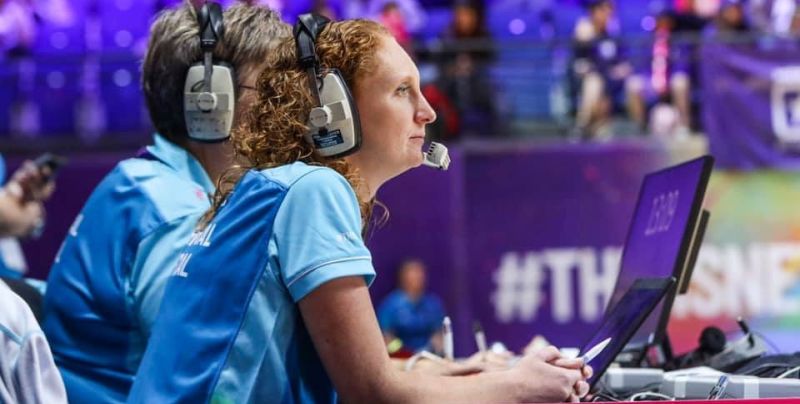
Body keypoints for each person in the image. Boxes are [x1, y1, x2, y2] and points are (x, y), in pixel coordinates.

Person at [129, 16, 591, 403]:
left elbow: (361, 375)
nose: (427, 112)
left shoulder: (277, 185)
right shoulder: (314, 189)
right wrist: (518, 386)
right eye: (401, 91)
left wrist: (479, 375)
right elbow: (372, 392)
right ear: (334, 111)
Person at [40, 3, 289, 403]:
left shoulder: (143, 182)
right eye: (272, 91)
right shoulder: (175, 214)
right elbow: (204, 387)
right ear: (208, 101)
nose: (288, 111)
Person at [377, 258, 445, 354]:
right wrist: (404, 352)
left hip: (429, 356)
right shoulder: (390, 305)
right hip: (400, 357)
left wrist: (430, 350)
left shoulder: (433, 303)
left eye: (420, 273)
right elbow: (386, 336)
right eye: (413, 273)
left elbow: (439, 333)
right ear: (403, 277)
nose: (418, 277)